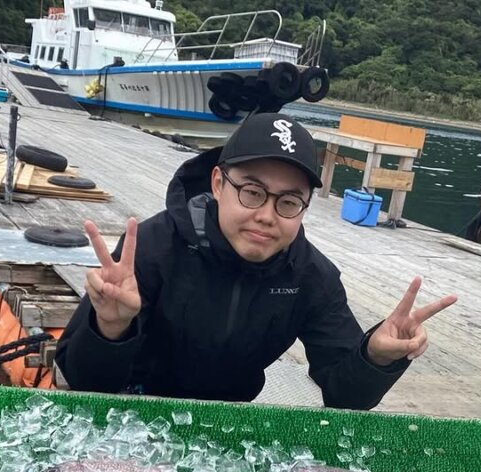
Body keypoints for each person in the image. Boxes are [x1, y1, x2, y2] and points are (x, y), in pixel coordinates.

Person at [54, 113, 457, 409]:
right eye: (252, 192)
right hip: (133, 405)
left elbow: (344, 396)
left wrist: (376, 358)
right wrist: (109, 328)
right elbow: (83, 380)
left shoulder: (312, 276)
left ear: (305, 206)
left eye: (289, 202)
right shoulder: (152, 247)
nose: (266, 216)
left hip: (233, 417)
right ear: (218, 184)